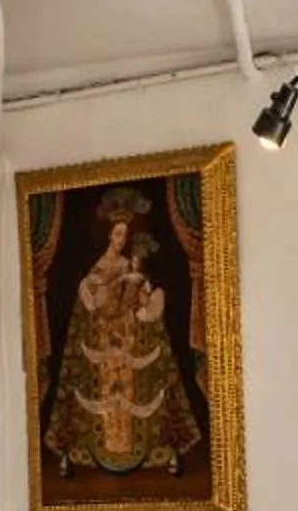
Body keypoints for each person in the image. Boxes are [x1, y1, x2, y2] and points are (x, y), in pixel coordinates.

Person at [45, 190, 205, 475]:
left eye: (124, 235)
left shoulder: (130, 265)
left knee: (132, 392)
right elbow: (91, 300)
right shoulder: (101, 267)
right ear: (109, 236)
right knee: (107, 393)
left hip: (129, 337)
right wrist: (110, 288)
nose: (121, 240)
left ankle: (142, 450)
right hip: (105, 340)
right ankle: (99, 452)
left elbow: (141, 299)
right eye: (117, 234)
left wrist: (143, 293)